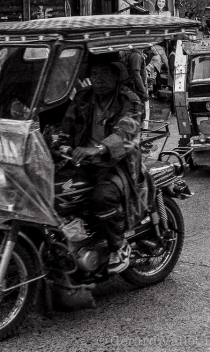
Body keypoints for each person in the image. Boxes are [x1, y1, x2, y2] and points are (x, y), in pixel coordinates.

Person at [60, 54, 144, 273]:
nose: (99, 79)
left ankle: (119, 246)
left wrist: (99, 149)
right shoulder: (83, 98)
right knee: (58, 192)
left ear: (116, 75)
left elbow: (126, 131)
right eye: (95, 74)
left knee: (101, 198)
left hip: (117, 164)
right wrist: (56, 143)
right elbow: (66, 127)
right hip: (83, 164)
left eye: (105, 73)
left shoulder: (129, 100)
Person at [120, 48, 149, 121]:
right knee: (137, 114)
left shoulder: (135, 54)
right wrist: (144, 91)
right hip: (135, 89)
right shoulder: (136, 56)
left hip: (133, 88)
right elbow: (136, 75)